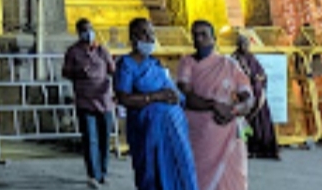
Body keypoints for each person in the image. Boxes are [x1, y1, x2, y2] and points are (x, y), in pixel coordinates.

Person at [113, 16, 197, 190]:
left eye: (152, 33)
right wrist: (155, 97)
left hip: (174, 130)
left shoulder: (155, 64)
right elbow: (123, 98)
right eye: (144, 34)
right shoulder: (126, 65)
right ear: (133, 37)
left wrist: (175, 96)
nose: (150, 38)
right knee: (153, 175)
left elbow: (172, 91)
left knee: (181, 171)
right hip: (148, 131)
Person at [177, 20, 252, 190]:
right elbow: (186, 96)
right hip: (199, 133)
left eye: (204, 35)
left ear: (214, 38)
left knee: (232, 179)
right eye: (195, 35)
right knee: (199, 179)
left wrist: (234, 110)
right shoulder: (187, 63)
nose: (199, 39)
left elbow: (248, 97)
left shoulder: (229, 64)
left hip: (228, 132)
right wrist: (213, 105)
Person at [61, 17, 116, 187]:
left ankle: (103, 172)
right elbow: (66, 72)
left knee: (104, 139)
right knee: (90, 138)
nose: (88, 33)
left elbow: (112, 69)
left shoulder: (102, 50)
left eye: (90, 29)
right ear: (78, 33)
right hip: (85, 101)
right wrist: (79, 71)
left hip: (104, 100)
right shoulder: (73, 52)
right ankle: (93, 173)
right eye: (85, 30)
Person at [231, 29, 280, 159]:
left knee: (263, 118)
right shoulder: (235, 58)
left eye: (246, 43)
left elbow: (261, 73)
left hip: (258, 94)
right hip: (244, 95)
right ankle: (248, 149)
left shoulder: (251, 57)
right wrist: (252, 79)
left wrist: (260, 78)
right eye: (242, 43)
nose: (245, 46)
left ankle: (263, 149)